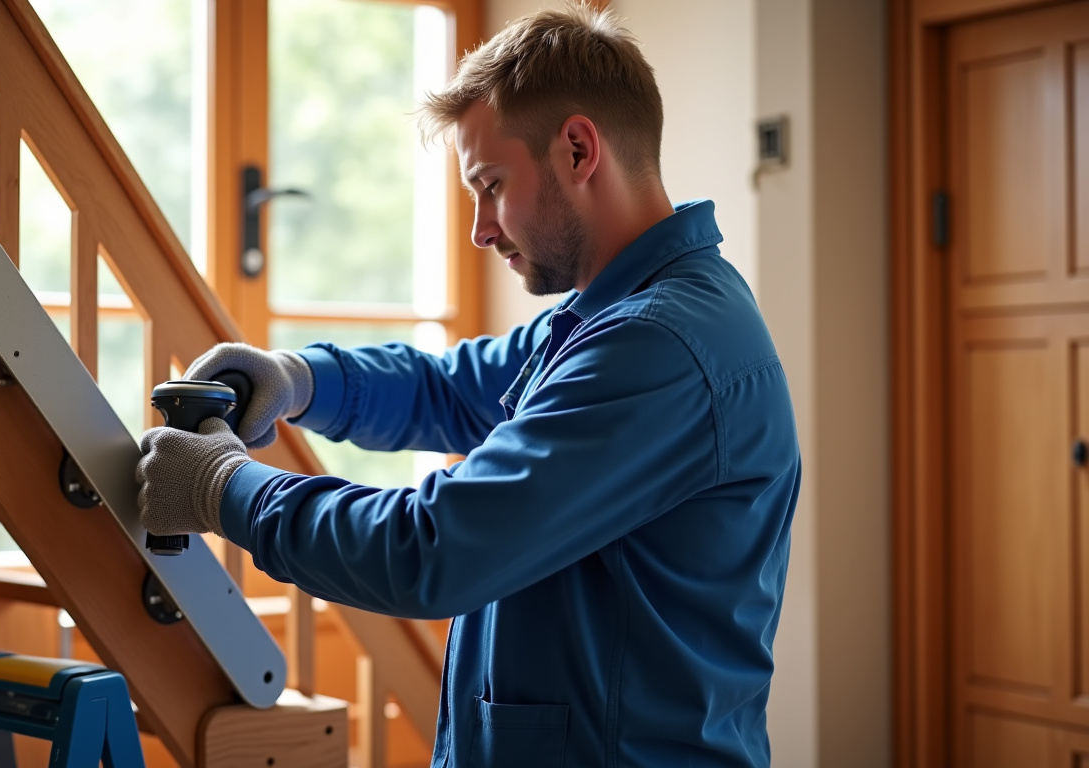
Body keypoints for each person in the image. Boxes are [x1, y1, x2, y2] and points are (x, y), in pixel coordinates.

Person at [136, 3, 800, 766]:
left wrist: (225, 489)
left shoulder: (659, 346)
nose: (480, 228)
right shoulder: (609, 317)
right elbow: (452, 388)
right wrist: (300, 378)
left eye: (490, 184)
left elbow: (432, 551)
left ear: (579, 149)